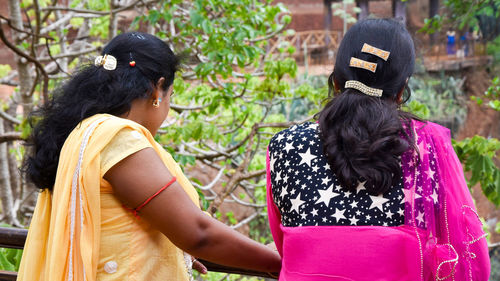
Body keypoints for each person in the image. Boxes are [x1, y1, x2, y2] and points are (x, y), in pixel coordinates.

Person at [18, 32, 280, 281]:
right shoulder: (119, 140)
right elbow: (198, 234)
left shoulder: (82, 131)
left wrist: (176, 249)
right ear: (158, 89)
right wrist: (279, 260)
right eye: (171, 97)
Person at [266, 19, 490, 281]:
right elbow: (472, 262)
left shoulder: (284, 145)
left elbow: (285, 243)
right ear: (401, 90)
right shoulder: (427, 147)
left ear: (336, 82)